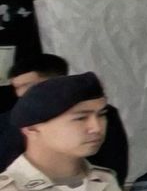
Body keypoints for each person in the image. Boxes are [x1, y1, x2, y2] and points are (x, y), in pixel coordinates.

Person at [0, 52, 130, 183]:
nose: (22, 93)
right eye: (17, 87)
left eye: (29, 85)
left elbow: (115, 160)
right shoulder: (7, 120)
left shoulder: (103, 113)